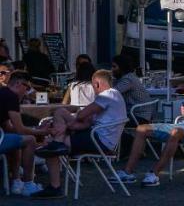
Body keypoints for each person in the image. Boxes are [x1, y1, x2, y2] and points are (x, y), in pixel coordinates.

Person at [39, 69, 127, 197]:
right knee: (60, 112)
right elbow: (86, 121)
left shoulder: (107, 95)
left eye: (93, 86)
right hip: (98, 137)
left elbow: (82, 115)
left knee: (49, 144)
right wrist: (67, 126)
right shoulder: (115, 95)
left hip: (99, 140)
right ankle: (58, 138)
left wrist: (67, 126)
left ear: (96, 83)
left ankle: (54, 187)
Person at [0, 70, 42, 196]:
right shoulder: (12, 96)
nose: (28, 91)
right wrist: (43, 131)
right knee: (30, 140)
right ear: (18, 84)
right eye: (27, 87)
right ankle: (28, 184)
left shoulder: (3, 93)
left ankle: (16, 180)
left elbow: (8, 128)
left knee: (18, 139)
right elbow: (20, 129)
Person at [111, 56, 153, 120]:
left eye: (114, 67)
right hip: (138, 113)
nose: (112, 69)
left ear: (122, 67)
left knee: (107, 120)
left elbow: (111, 93)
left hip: (138, 116)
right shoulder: (127, 77)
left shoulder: (128, 79)